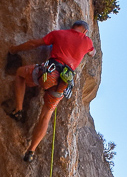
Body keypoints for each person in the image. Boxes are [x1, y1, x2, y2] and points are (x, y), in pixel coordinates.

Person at [7, 21, 95, 162]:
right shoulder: (87, 41)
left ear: (72, 27)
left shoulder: (59, 33)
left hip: (49, 74)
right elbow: (92, 53)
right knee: (46, 115)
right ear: (85, 31)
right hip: (63, 82)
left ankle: (18, 109)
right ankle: (31, 151)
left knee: (20, 73)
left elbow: (33, 44)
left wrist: (14, 49)